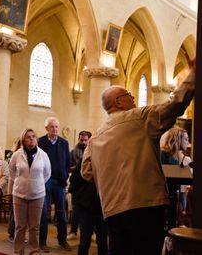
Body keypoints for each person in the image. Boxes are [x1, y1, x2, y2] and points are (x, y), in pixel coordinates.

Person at [81, 59, 195, 255]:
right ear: (118, 102)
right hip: (145, 206)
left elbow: (86, 172)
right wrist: (193, 73)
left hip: (113, 210)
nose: (133, 98)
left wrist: (113, 178)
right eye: (129, 95)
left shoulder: (95, 136)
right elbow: (175, 104)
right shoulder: (139, 118)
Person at [9, 129, 51, 255]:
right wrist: (21, 182)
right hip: (19, 194)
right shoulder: (17, 154)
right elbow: (11, 172)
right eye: (28, 137)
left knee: (34, 226)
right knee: (20, 225)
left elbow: (47, 173)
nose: (31, 139)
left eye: (33, 136)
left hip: (37, 194)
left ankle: (34, 250)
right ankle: (18, 250)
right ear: (23, 140)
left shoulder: (43, 154)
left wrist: (35, 183)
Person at [39, 117, 71, 252]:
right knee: (44, 213)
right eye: (52, 127)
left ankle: (62, 240)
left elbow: (67, 162)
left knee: (61, 213)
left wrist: (64, 176)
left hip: (59, 182)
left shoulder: (64, 142)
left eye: (57, 127)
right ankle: (42, 241)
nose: (55, 129)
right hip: (45, 181)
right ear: (46, 128)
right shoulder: (41, 141)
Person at [161, 127, 193, 254]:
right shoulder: (163, 154)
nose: (188, 142)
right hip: (163, 199)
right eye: (185, 139)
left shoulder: (177, 158)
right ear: (177, 140)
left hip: (173, 198)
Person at [67, 131, 92, 240]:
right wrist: (79, 167)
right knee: (75, 209)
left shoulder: (92, 151)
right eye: (81, 140)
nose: (83, 142)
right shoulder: (73, 152)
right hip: (77, 184)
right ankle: (73, 231)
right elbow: (68, 166)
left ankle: (89, 233)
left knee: (90, 211)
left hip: (89, 185)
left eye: (86, 140)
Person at [6, 137, 22, 243]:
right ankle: (12, 234)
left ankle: (20, 234)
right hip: (14, 187)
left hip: (24, 188)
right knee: (14, 212)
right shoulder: (12, 155)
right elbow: (10, 174)